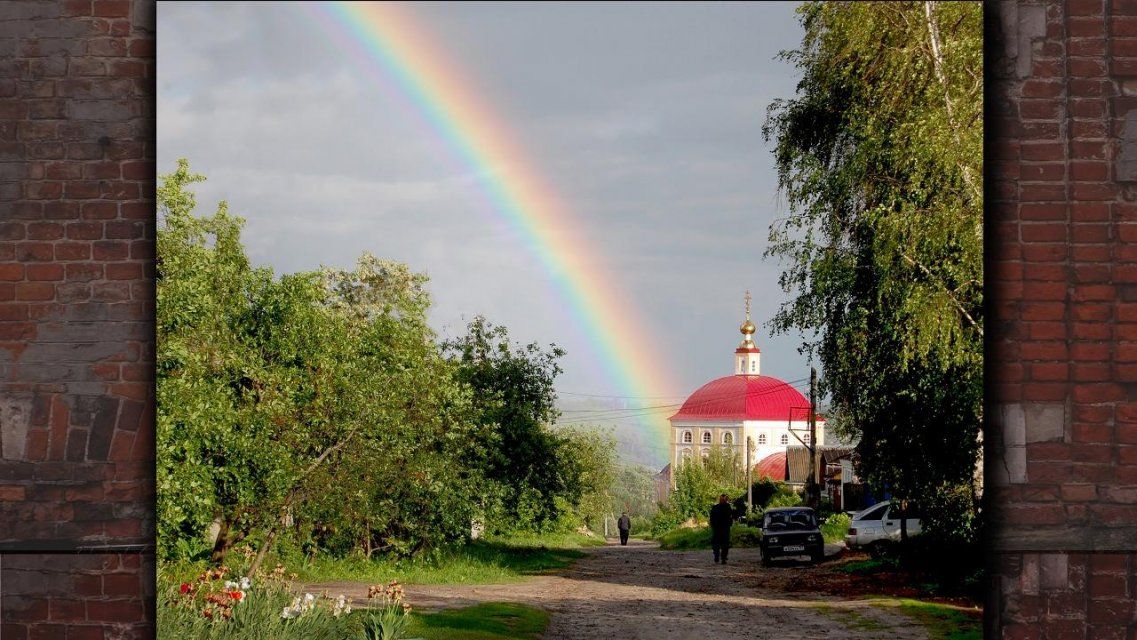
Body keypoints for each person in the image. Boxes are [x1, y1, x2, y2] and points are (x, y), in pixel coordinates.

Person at [709, 493, 733, 564]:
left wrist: (713, 525)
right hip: (724, 529)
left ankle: (718, 556)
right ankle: (723, 558)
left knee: (716, 543)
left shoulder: (715, 507)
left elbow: (711, 518)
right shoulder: (727, 507)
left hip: (718, 529)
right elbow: (730, 517)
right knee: (724, 544)